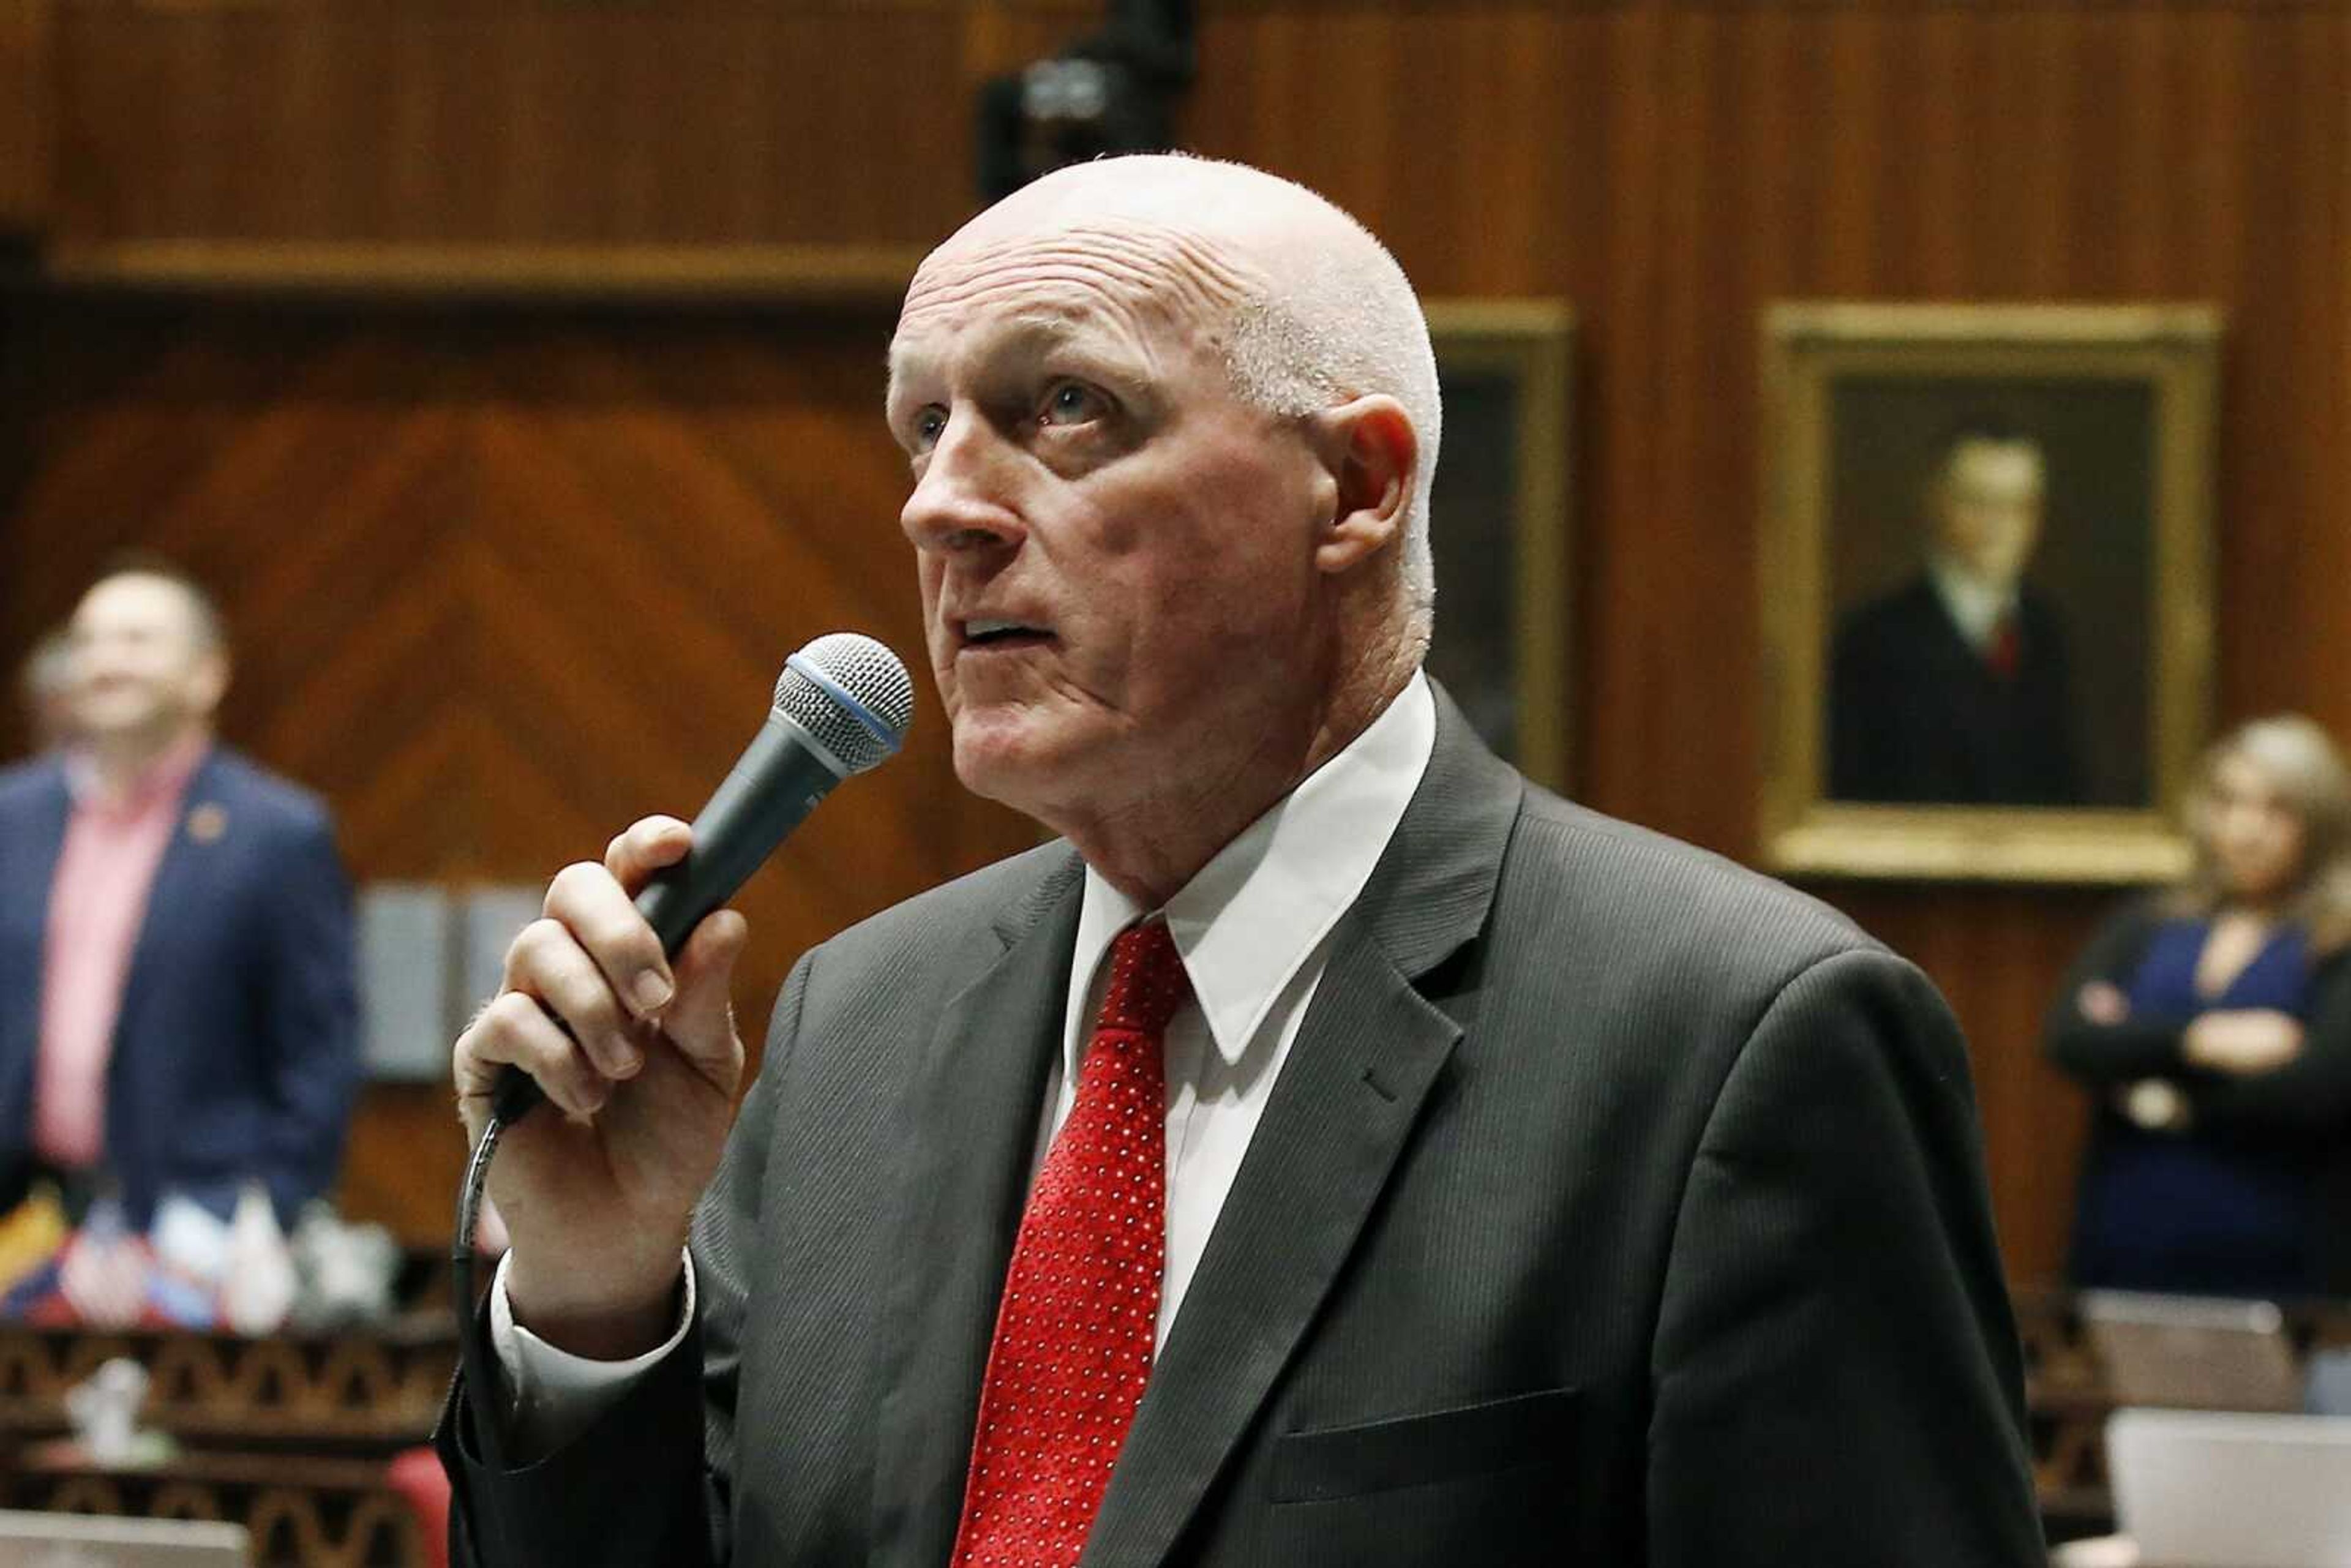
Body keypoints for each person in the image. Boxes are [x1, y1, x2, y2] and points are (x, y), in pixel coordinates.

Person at [440, 156, 2041, 1566]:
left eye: (1064, 407)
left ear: (1353, 487)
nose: (941, 507)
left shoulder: (1736, 1039)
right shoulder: (858, 1019)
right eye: (924, 426)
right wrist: (596, 1306)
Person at [0, 563, 361, 1228]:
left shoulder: (275, 833)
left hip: (198, 1222)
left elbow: (318, 1050)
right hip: (21, 1220)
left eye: (136, 640)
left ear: (206, 674)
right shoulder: (11, 816)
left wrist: (269, 1209)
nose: (108, 662)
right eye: (90, 641)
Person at [2047, 715, 2351, 1299]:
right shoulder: (2151, 922)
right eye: (2229, 802)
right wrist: (2200, 1039)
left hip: (2282, 1264)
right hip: (2125, 1246)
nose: (2244, 829)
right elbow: (2071, 1038)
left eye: (2276, 810)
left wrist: (2162, 1095)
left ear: (2319, 822)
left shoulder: (2336, 939)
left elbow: (2319, 1086)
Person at [1829, 421, 2081, 806]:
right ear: (1936, 502)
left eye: (2016, 507)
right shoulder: (1875, 638)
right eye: (1977, 502)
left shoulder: (2047, 631)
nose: (1996, 526)